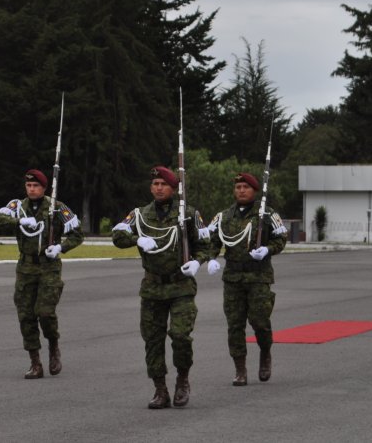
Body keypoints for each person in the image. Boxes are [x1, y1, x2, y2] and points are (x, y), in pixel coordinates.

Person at [112, 166, 210, 408]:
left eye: (163, 184)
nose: (158, 188)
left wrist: (198, 261)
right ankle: (160, 389)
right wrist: (137, 239)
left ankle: (183, 380)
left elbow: (206, 243)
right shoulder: (140, 214)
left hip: (181, 286)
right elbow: (117, 236)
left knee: (180, 336)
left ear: (174, 188)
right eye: (155, 184)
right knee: (152, 340)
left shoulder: (189, 214)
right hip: (153, 287)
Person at [0, 170, 84, 377]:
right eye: (29, 186)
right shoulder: (17, 207)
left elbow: (77, 234)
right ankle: (35, 362)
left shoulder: (57, 208)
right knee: (25, 315)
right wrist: (18, 222)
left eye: (36, 186)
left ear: (44, 188)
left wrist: (61, 248)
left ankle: (53, 346)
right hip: (25, 268)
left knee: (45, 312)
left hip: (49, 267)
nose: (32, 189)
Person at [207, 172, 288, 385]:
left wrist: (268, 250)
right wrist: (211, 258)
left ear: (254, 190)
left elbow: (281, 238)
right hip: (233, 278)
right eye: (238, 187)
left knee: (260, 321)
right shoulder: (223, 216)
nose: (241, 190)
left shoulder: (267, 215)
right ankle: (240, 369)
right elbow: (212, 240)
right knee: (235, 325)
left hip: (258, 276)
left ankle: (265, 352)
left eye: (246, 187)